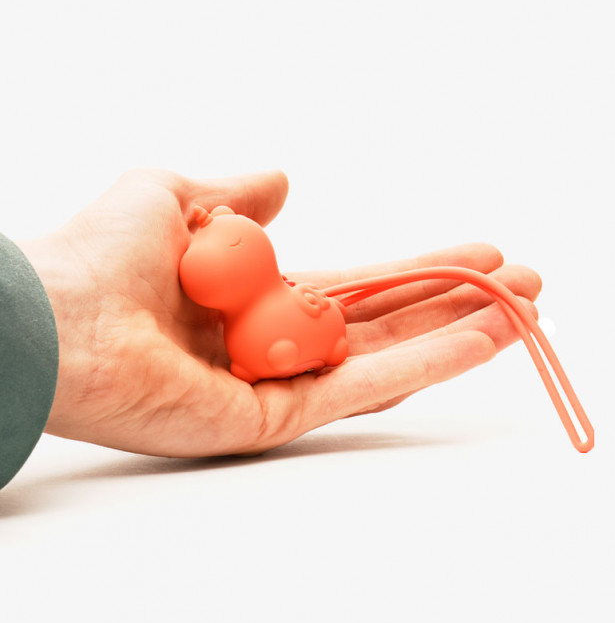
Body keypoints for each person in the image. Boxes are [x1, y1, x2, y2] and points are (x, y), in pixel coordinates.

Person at [0, 168, 541, 490]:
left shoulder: (263, 303)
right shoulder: (243, 315)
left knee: (291, 344)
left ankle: (322, 345)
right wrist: (70, 315)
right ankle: (309, 347)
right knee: (276, 348)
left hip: (298, 334)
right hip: (271, 343)